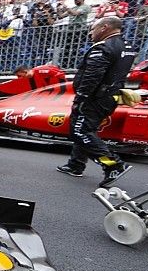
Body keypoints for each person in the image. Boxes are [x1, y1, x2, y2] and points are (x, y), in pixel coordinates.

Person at [57, 17, 136, 186]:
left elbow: (92, 76)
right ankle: (76, 165)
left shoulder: (103, 47)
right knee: (86, 129)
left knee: (80, 131)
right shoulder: (126, 46)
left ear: (104, 28)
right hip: (110, 97)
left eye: (93, 29)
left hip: (95, 98)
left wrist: (82, 98)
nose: (90, 33)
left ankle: (113, 165)